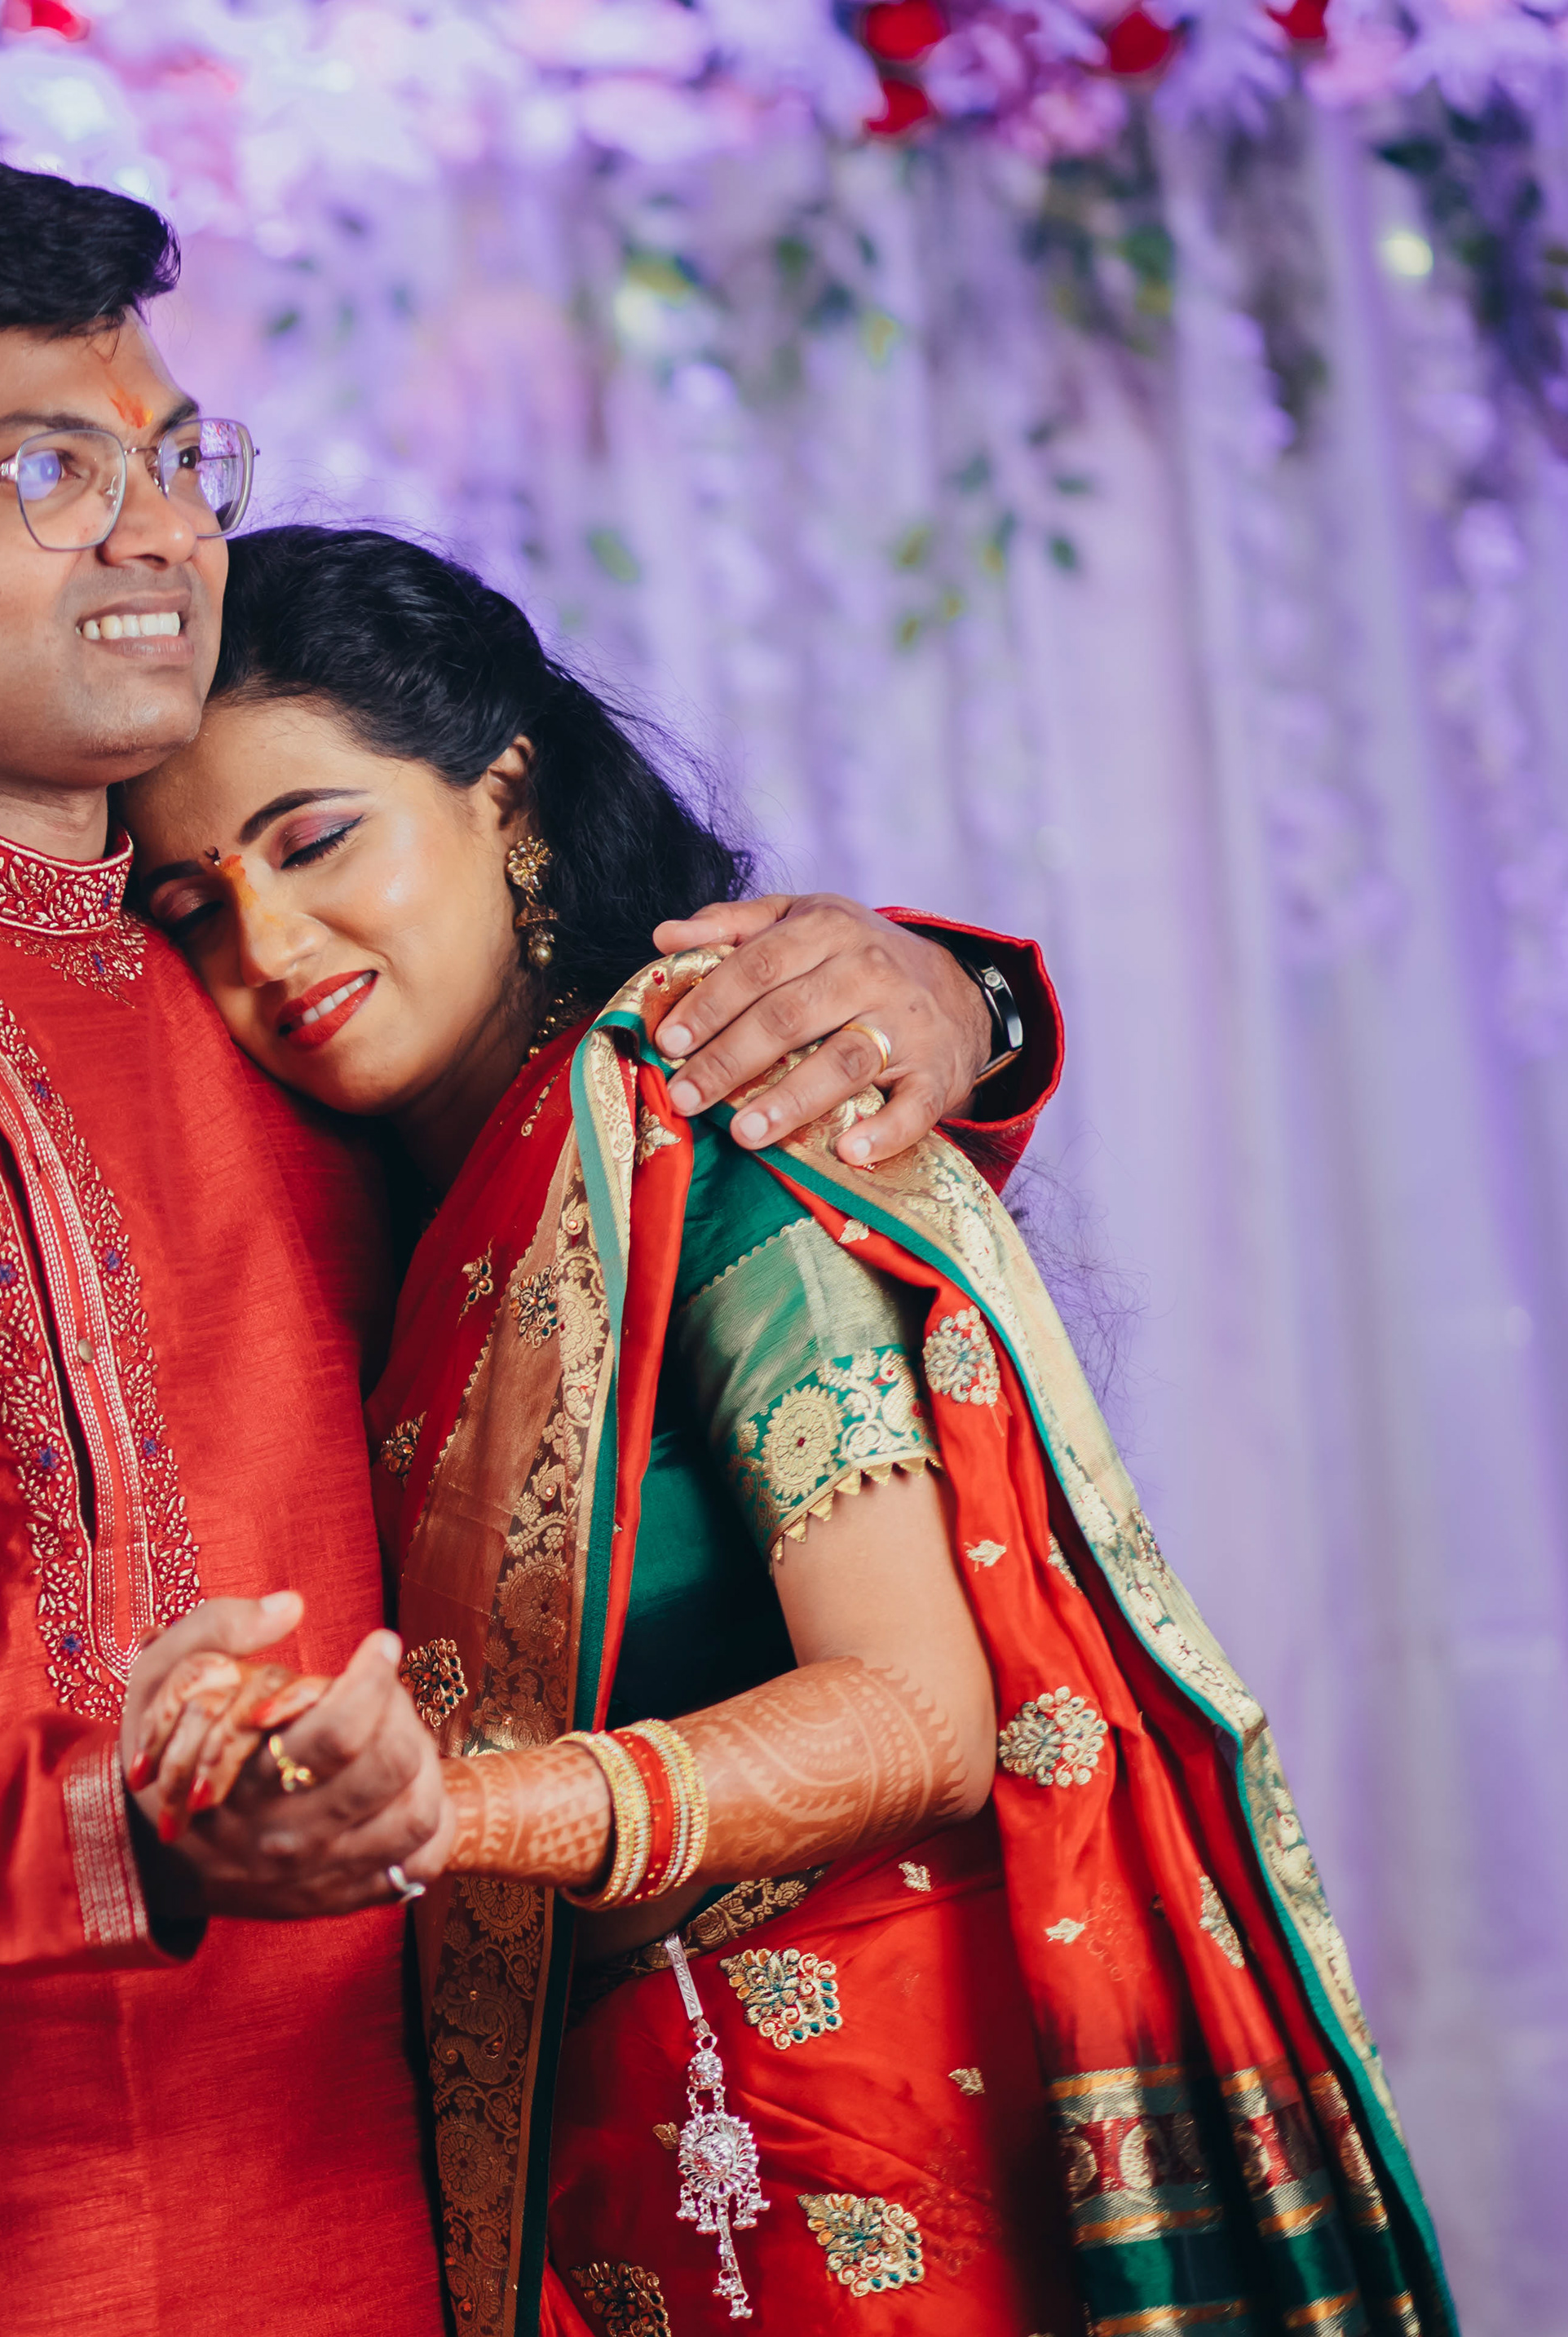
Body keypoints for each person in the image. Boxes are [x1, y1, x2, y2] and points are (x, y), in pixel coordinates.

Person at [0, 147, 1062, 2337]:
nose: (159, 531)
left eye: (178, 459)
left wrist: (949, 999)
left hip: (432, 2223)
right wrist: (112, 1829)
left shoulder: (234, 963)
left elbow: (606, 1179)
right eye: (46, 471)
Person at [120, 526, 1455, 2337]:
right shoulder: (372, 1223)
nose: (270, 945)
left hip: (868, 2149)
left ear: (505, 790)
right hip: (612, 2173)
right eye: (192, 905)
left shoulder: (721, 1095)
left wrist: (453, 1812)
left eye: (315, 838)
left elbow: (919, 1712)